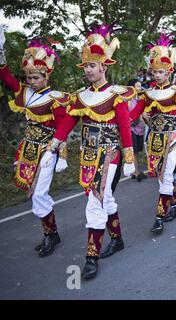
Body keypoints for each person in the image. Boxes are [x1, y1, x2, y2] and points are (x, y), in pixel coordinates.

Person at [40, 23, 137, 279]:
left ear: (104, 66)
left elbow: (125, 127)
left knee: (95, 205)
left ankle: (91, 257)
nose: (89, 71)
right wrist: (54, 147)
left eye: (93, 66)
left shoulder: (115, 95)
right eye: (86, 67)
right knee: (106, 201)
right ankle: (117, 239)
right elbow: (67, 122)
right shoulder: (81, 97)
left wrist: (129, 157)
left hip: (109, 156)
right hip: (87, 156)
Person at [0, 32, 70, 257]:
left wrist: (62, 154)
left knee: (39, 194)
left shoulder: (56, 98)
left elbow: (63, 128)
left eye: (36, 78)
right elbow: (8, 79)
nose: (31, 82)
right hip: (28, 148)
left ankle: (50, 235)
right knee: (32, 193)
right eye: (29, 78)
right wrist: (1, 57)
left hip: (48, 150)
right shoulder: (25, 93)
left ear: (46, 77)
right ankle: (52, 233)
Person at [129, 33, 176, 235]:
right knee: (160, 175)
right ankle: (175, 206)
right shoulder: (147, 93)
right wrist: (117, 122)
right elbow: (134, 113)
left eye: (162, 72)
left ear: (169, 71)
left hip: (172, 137)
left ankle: (159, 217)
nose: (157, 75)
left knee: (165, 174)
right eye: (155, 71)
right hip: (154, 138)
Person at [127, 79, 147, 181]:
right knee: (133, 151)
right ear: (132, 88)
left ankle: (136, 170)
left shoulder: (140, 99)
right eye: (138, 86)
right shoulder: (127, 100)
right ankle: (135, 172)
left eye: (140, 86)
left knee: (137, 151)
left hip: (140, 129)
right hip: (131, 129)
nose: (140, 88)